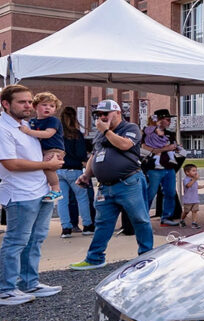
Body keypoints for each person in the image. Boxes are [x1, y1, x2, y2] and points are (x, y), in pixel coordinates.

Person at [0, 85, 63, 304]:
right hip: (20, 194)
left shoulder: (26, 125)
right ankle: (5, 290)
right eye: (22, 102)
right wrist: (46, 164)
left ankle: (29, 283)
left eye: (30, 101)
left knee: (35, 240)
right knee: (16, 241)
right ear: (6, 104)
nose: (29, 105)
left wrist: (53, 164)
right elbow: (10, 163)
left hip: (40, 190)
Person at [70, 99, 154, 271]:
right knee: (102, 222)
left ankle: (146, 256)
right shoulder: (101, 133)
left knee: (140, 219)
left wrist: (106, 130)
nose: (101, 117)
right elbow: (94, 155)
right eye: (98, 114)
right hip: (105, 186)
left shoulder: (130, 128)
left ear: (117, 112)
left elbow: (125, 145)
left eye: (105, 113)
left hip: (128, 182)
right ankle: (94, 258)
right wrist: (86, 174)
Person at [17, 91, 64, 203]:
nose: (48, 108)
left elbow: (48, 134)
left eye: (52, 106)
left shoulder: (53, 120)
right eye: (44, 105)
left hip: (54, 149)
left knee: (48, 167)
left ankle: (56, 189)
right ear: (35, 106)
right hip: (40, 150)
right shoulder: (32, 121)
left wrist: (28, 131)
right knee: (40, 166)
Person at [56, 106, 94, 237]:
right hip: (75, 170)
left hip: (59, 170)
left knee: (62, 200)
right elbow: (81, 154)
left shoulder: (56, 134)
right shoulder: (76, 134)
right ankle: (87, 226)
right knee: (82, 199)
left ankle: (66, 228)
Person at [141, 109, 180, 226]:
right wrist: (165, 149)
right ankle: (143, 219)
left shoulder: (170, 134)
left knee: (170, 193)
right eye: (167, 119)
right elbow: (144, 148)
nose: (169, 122)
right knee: (150, 193)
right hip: (154, 168)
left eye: (170, 120)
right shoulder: (147, 133)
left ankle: (166, 217)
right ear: (159, 120)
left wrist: (176, 148)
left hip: (169, 168)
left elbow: (173, 147)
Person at [178, 164, 202, 228]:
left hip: (195, 199)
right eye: (193, 171)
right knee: (186, 211)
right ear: (187, 172)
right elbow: (188, 185)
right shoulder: (186, 179)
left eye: (196, 170)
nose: (195, 172)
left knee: (195, 211)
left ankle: (194, 223)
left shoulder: (194, 180)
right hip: (188, 200)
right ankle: (182, 220)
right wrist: (194, 179)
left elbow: (196, 186)